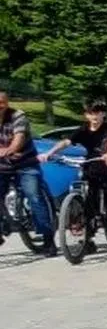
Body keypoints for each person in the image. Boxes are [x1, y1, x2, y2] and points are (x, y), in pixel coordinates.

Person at [39, 101, 107, 255]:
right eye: (91, 113)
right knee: (89, 203)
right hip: (91, 167)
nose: (95, 116)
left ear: (103, 114)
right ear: (86, 115)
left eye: (98, 113)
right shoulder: (83, 129)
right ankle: (89, 239)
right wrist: (49, 153)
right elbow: (67, 142)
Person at [0, 90, 56, 254]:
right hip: (2, 166)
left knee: (34, 196)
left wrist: (8, 150)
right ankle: (2, 226)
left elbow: (18, 141)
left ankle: (48, 239)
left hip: (25, 164)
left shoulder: (18, 116)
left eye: (2, 103)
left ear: (7, 103)